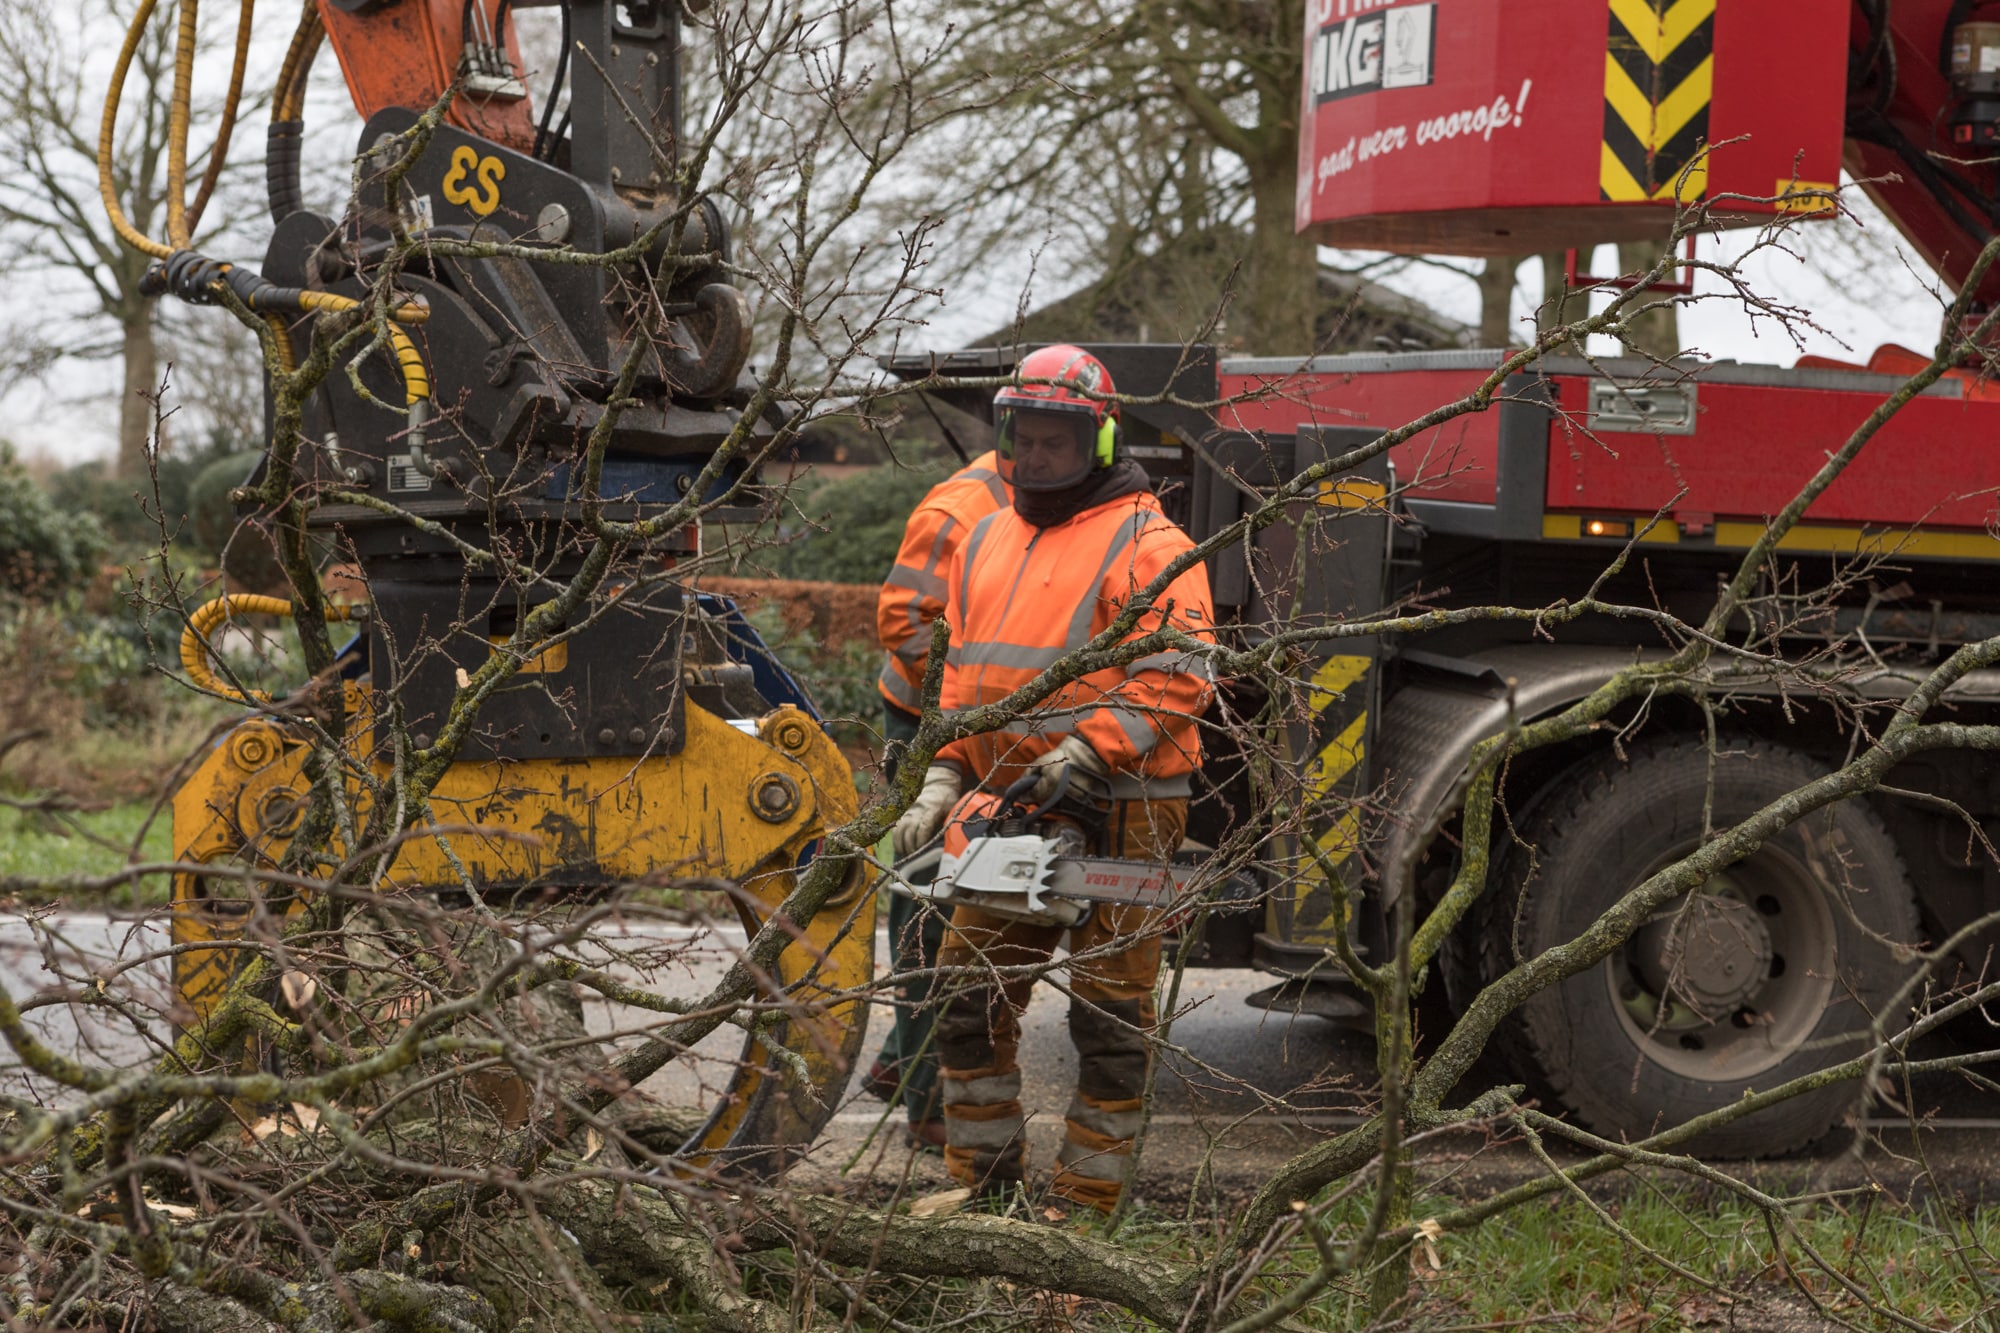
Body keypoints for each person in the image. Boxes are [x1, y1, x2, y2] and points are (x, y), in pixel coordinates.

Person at [891, 344, 1214, 1213]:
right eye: (1022, 440)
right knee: (966, 996)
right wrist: (944, 773)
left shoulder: (1152, 544)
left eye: (1054, 443)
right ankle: (983, 1186)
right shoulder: (986, 536)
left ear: (1097, 442)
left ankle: (1086, 1201)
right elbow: (962, 678)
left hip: (1127, 803)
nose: (1034, 457)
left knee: (1108, 1015)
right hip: (1010, 802)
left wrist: (1088, 750)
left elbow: (1177, 677)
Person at [867, 443, 1013, 1148]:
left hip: (996, 721)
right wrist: (972, 697)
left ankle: (903, 1059)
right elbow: (905, 620)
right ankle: (928, 1107)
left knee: (976, 898)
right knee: (929, 904)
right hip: (930, 720)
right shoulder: (962, 508)